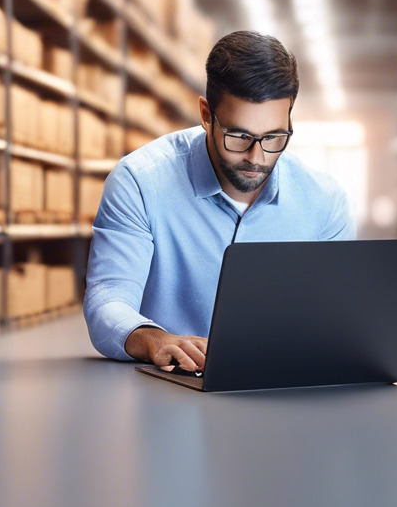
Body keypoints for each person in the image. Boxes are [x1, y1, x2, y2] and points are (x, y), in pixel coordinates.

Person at [83, 30, 355, 373]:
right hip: (168, 394)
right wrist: (155, 339)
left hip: (282, 391)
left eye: (274, 137)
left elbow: (338, 318)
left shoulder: (325, 202)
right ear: (206, 114)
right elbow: (107, 301)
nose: (256, 157)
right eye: (239, 136)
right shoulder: (139, 182)